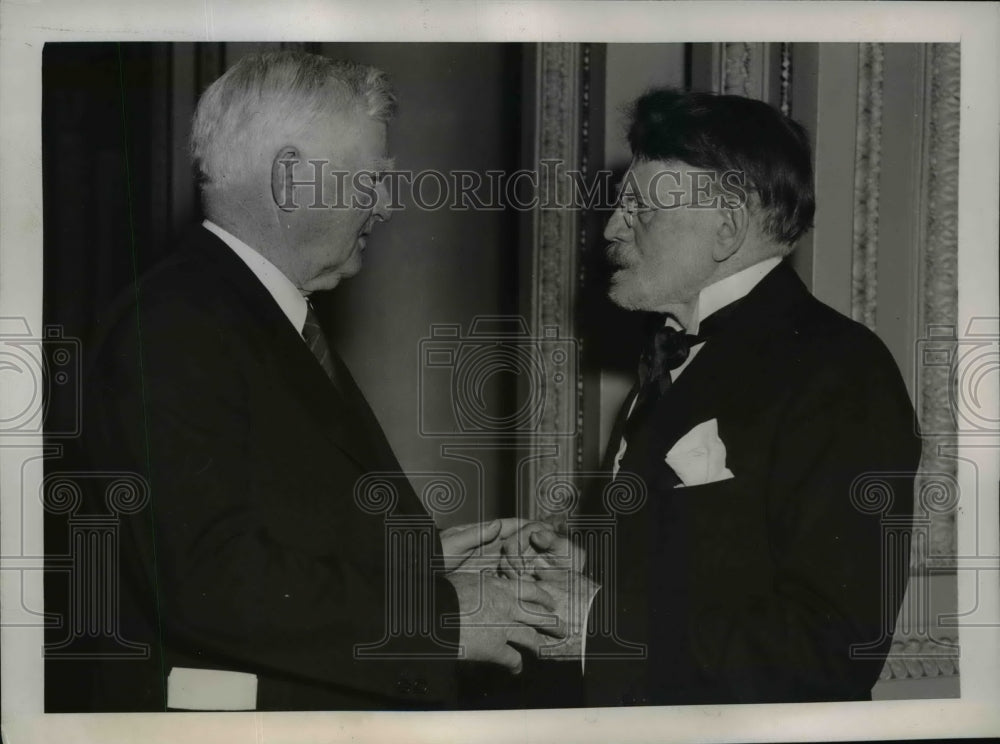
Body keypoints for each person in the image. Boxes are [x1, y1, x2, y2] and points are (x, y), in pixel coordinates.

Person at [80, 50, 557, 712]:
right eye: (371, 181)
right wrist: (437, 616)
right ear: (291, 179)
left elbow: (272, 529)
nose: (386, 207)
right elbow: (208, 580)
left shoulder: (241, 313)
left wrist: (417, 567)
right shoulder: (175, 325)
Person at [566, 89, 922, 705]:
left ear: (726, 228)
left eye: (638, 209)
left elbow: (830, 650)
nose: (611, 229)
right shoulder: (671, 351)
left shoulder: (841, 371)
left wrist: (597, 624)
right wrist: (568, 564)